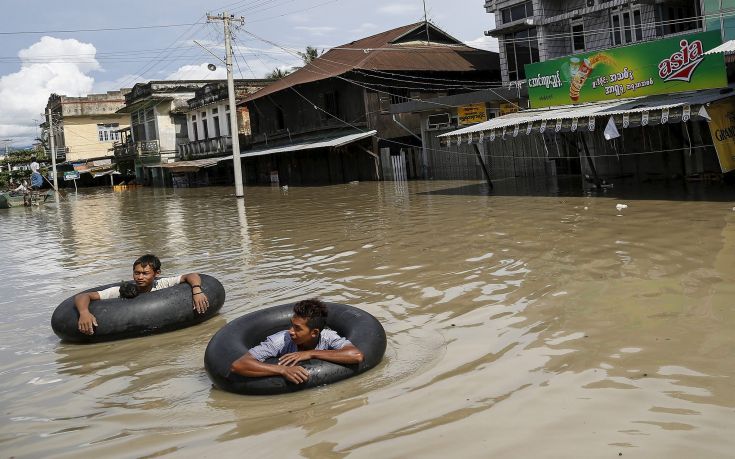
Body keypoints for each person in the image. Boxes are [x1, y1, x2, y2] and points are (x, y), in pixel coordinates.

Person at [229, 299, 364, 384]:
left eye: (297, 328)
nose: (291, 331)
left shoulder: (327, 337)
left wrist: (312, 353)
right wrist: (282, 370)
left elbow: (356, 356)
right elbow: (239, 365)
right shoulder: (280, 340)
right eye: (291, 325)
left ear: (314, 333)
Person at [73, 254, 210, 335]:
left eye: (145, 273)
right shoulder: (123, 291)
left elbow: (191, 275)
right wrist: (84, 312)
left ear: (157, 274)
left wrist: (197, 290)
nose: (140, 277)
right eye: (137, 273)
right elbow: (83, 296)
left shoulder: (161, 284)